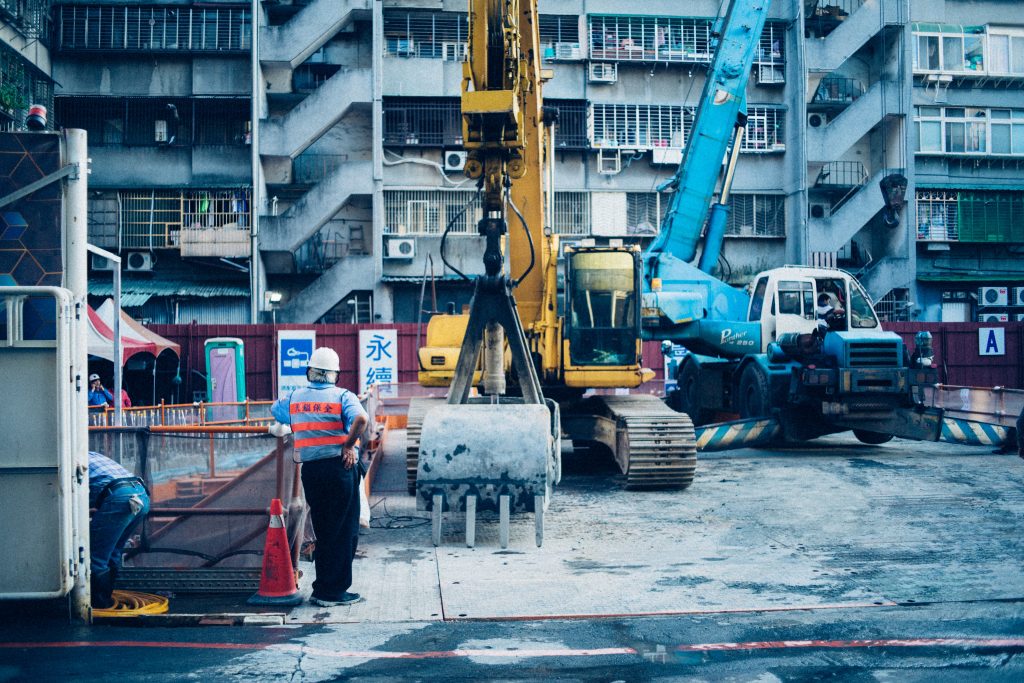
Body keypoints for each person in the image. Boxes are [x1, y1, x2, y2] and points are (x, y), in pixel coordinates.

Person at [270, 347, 368, 607]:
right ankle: (332, 592)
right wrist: (348, 445)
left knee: (325, 529)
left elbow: (276, 411)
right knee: (343, 530)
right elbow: (361, 419)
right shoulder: (342, 396)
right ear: (335, 374)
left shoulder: (294, 398)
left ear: (309, 372)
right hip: (340, 469)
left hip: (311, 472)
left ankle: (323, 588)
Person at [88, 451, 150, 608]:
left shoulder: (67, 460)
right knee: (113, 551)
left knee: (95, 555)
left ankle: (99, 604)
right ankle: (107, 596)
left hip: (119, 497)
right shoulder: (90, 454)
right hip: (141, 494)